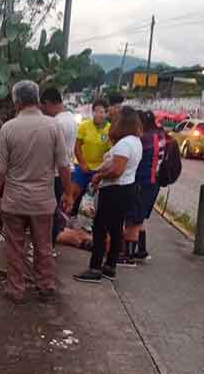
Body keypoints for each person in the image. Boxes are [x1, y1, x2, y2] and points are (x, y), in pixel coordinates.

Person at [0, 80, 72, 304]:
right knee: (43, 246)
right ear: (37, 99)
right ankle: (45, 286)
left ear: (16, 101)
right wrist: (69, 193)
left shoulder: (8, 128)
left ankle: (15, 289)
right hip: (42, 202)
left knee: (15, 247)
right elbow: (64, 165)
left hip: (14, 201)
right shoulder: (53, 126)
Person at [74, 106, 143, 283]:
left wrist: (98, 176)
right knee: (115, 227)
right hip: (126, 188)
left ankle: (95, 267)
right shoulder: (135, 141)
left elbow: (117, 170)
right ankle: (110, 266)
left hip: (114, 189)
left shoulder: (124, 144)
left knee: (100, 228)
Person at [121, 110, 166, 264]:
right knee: (139, 218)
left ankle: (128, 256)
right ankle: (141, 251)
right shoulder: (159, 135)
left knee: (132, 219)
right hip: (153, 183)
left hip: (142, 182)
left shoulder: (145, 139)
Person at [40, 87, 78, 250]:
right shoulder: (71, 119)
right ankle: (51, 247)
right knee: (53, 212)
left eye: (43, 107)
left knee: (47, 214)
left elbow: (51, 152)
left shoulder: (57, 123)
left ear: (48, 103)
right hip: (64, 172)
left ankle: (46, 248)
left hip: (54, 173)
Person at [70, 99, 111, 223]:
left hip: (99, 169)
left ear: (106, 113)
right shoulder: (84, 126)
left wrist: (102, 169)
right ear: (92, 112)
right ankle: (69, 216)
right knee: (74, 193)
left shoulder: (111, 129)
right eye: (96, 111)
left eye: (102, 112)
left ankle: (91, 223)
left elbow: (111, 152)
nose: (99, 114)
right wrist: (82, 164)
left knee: (95, 197)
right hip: (82, 166)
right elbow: (77, 146)